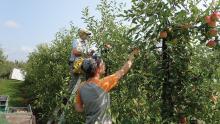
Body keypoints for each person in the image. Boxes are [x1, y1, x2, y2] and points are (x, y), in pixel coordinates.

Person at [74, 49, 139, 124]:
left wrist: (90, 107)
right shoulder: (103, 84)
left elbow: (78, 108)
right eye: (102, 64)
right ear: (97, 69)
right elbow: (122, 71)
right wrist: (132, 57)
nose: (104, 65)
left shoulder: (81, 86)